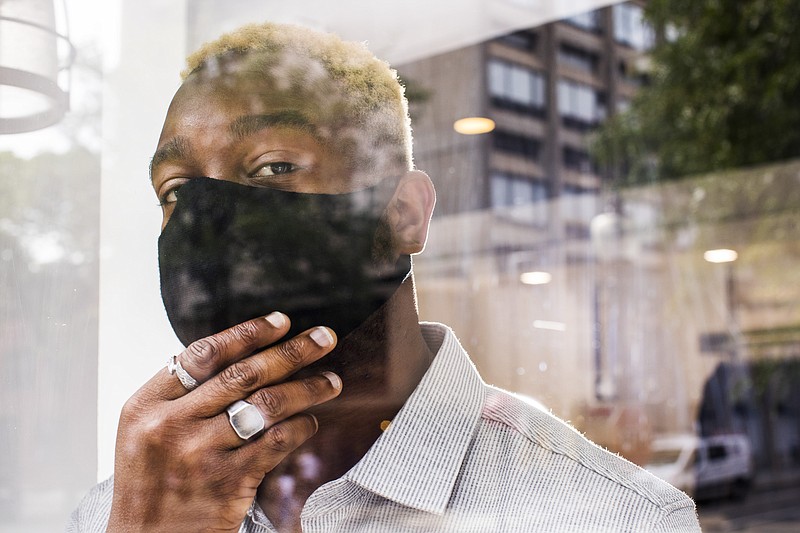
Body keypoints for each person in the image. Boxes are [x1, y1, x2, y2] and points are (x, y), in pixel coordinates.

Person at [68, 22, 700, 532]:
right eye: (176, 189)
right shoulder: (120, 513)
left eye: (273, 166)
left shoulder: (610, 519)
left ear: (404, 215)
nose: (204, 217)